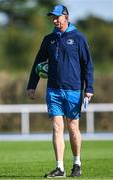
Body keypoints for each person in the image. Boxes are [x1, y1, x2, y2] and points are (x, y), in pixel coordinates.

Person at [26, 4, 94, 178]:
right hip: (53, 91)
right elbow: (38, 63)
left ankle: (77, 163)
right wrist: (32, 85)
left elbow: (88, 65)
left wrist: (89, 89)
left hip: (74, 90)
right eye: (53, 18)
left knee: (73, 128)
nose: (55, 20)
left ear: (66, 17)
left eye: (58, 17)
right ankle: (60, 168)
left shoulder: (79, 38)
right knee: (57, 127)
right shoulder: (49, 39)